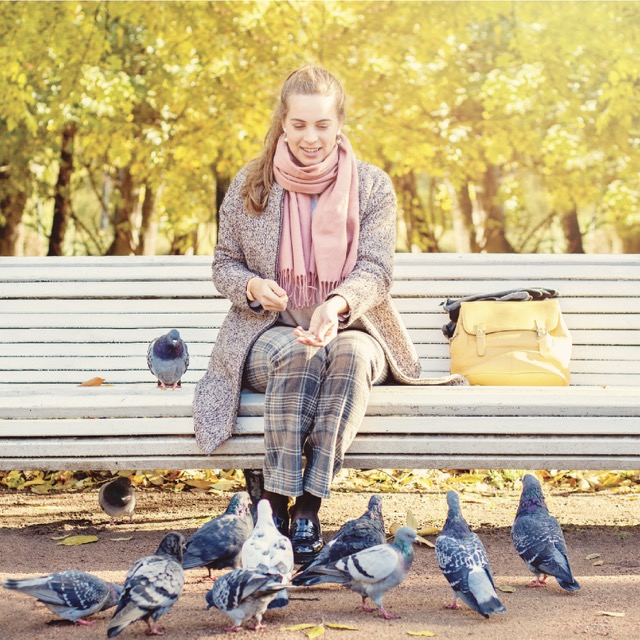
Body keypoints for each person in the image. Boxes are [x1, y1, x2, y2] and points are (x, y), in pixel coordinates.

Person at [193, 65, 466, 563]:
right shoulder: (252, 184)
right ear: (283, 121)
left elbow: (377, 271)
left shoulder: (372, 186)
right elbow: (223, 265)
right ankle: (274, 507)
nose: (310, 137)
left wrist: (335, 304)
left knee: (350, 356)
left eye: (322, 125)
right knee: (297, 355)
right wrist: (252, 286)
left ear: (339, 122)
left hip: (354, 325)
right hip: (267, 331)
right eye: (299, 125)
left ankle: (309, 509)